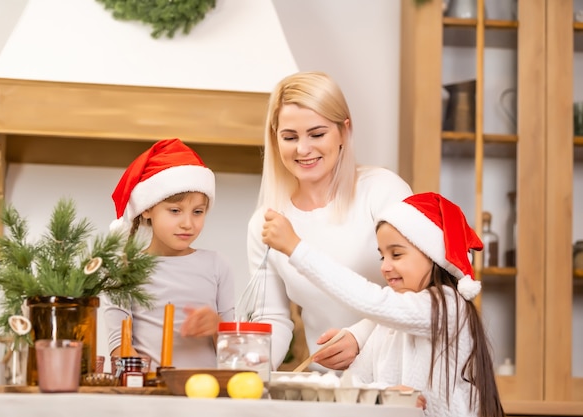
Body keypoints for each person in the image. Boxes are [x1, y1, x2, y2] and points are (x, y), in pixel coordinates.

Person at [261, 192, 506, 417]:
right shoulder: (387, 327)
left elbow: (372, 301)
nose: (385, 267)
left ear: (434, 255)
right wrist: (383, 398)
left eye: (396, 254)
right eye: (382, 255)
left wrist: (296, 249)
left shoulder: (448, 307)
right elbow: (360, 385)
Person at [246, 71, 413, 371]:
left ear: (343, 132)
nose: (303, 149)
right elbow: (272, 318)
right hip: (327, 386)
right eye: (289, 137)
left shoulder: (383, 191)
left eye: (317, 134)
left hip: (395, 376)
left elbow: (420, 290)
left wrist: (360, 336)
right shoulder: (267, 223)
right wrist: (247, 375)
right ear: (275, 138)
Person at [103, 138, 235, 370]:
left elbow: (234, 354)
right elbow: (119, 347)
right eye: (175, 210)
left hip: (206, 395)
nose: (188, 223)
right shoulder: (123, 270)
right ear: (147, 208)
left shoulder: (217, 266)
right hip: (150, 395)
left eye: (198, 212)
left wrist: (218, 327)